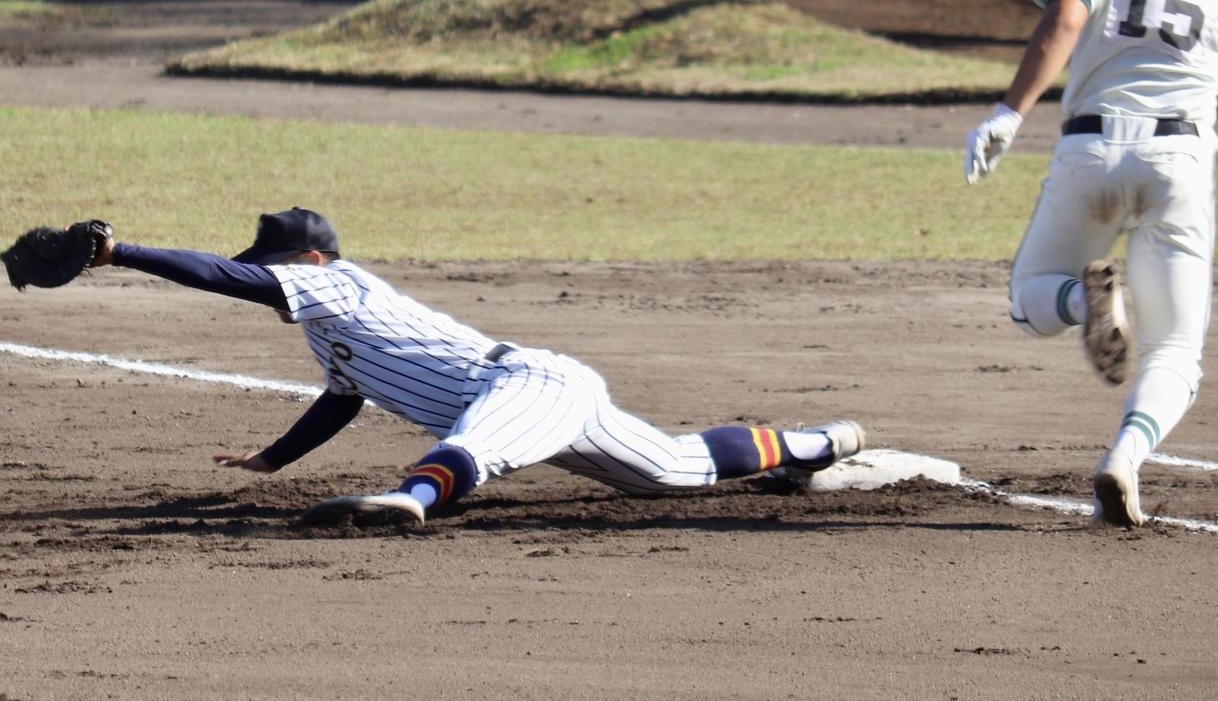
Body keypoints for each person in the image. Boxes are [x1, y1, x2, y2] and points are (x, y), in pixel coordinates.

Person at [88, 207, 868, 526]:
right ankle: (817, 444)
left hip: (525, 384)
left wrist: (123, 252)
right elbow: (342, 398)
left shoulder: (335, 282)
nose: (264, 275)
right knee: (674, 469)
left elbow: (223, 278)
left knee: (477, 442)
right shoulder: (325, 329)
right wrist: (272, 458)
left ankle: (412, 498)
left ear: (312, 260)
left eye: (274, 264)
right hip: (544, 394)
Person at [963, 0, 1218, 527]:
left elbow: (1063, 24)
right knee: (1176, 351)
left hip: (1092, 149)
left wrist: (1008, 113)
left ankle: (1083, 301)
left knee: (1029, 299)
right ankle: (1125, 457)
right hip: (1180, 160)